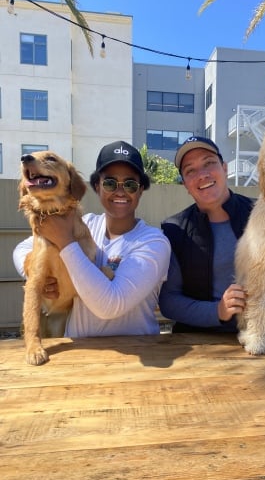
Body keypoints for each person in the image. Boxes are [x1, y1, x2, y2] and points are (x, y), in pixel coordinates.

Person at [158, 136, 265, 333]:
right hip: (199, 343)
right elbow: (169, 301)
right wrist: (217, 311)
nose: (202, 174)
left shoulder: (264, 212)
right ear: (185, 184)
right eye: (190, 170)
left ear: (225, 168)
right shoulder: (174, 229)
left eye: (209, 163)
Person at [13, 141, 171, 337]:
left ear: (140, 191)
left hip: (135, 354)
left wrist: (65, 242)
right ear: (97, 187)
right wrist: (39, 277)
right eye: (110, 183)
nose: (120, 191)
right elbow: (22, 248)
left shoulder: (154, 242)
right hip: (78, 352)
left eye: (130, 184)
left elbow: (110, 306)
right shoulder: (85, 223)